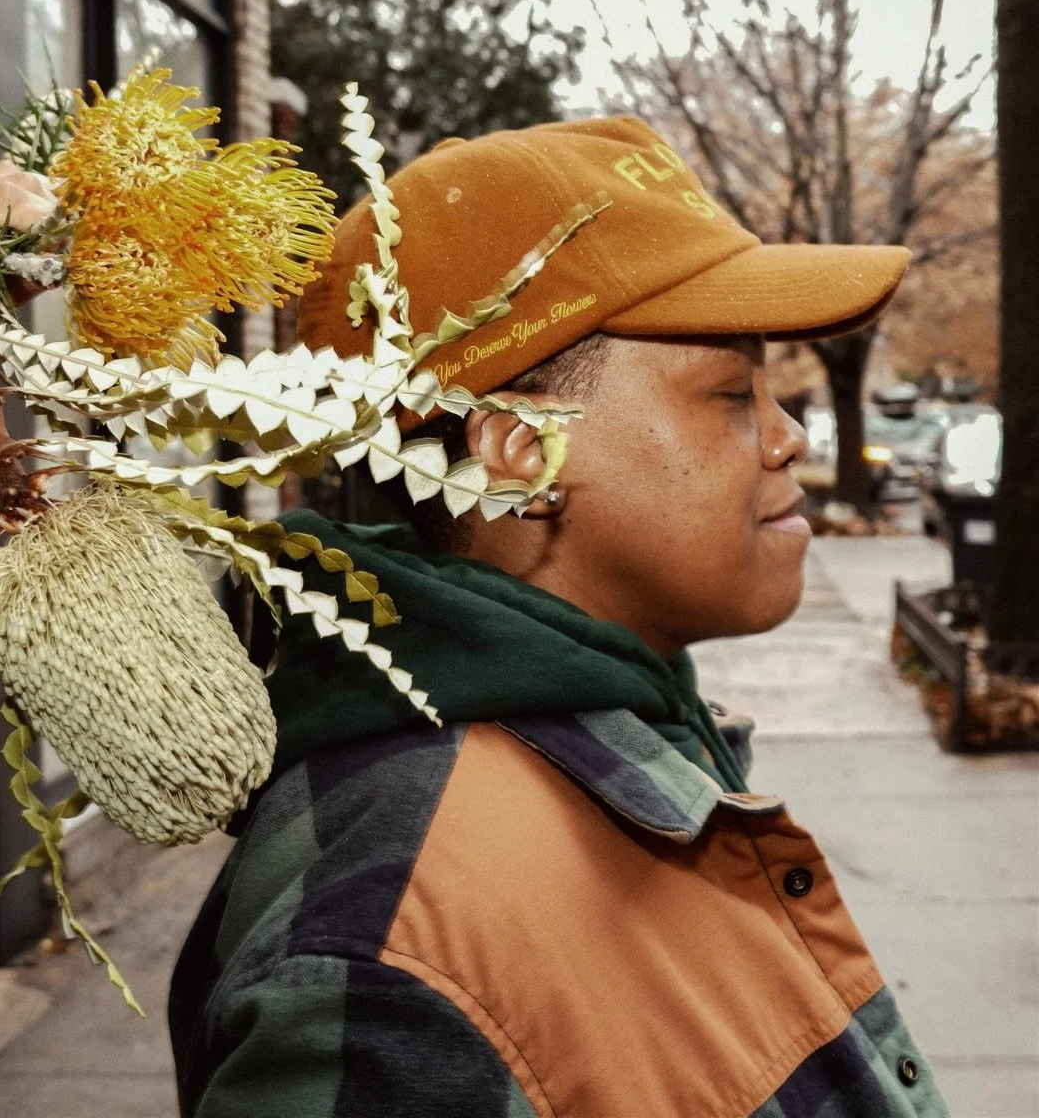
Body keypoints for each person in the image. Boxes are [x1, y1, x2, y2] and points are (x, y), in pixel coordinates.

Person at [168, 117, 949, 1117]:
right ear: (520, 458)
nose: (789, 435)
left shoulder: (604, 740)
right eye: (728, 392)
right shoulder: (398, 940)